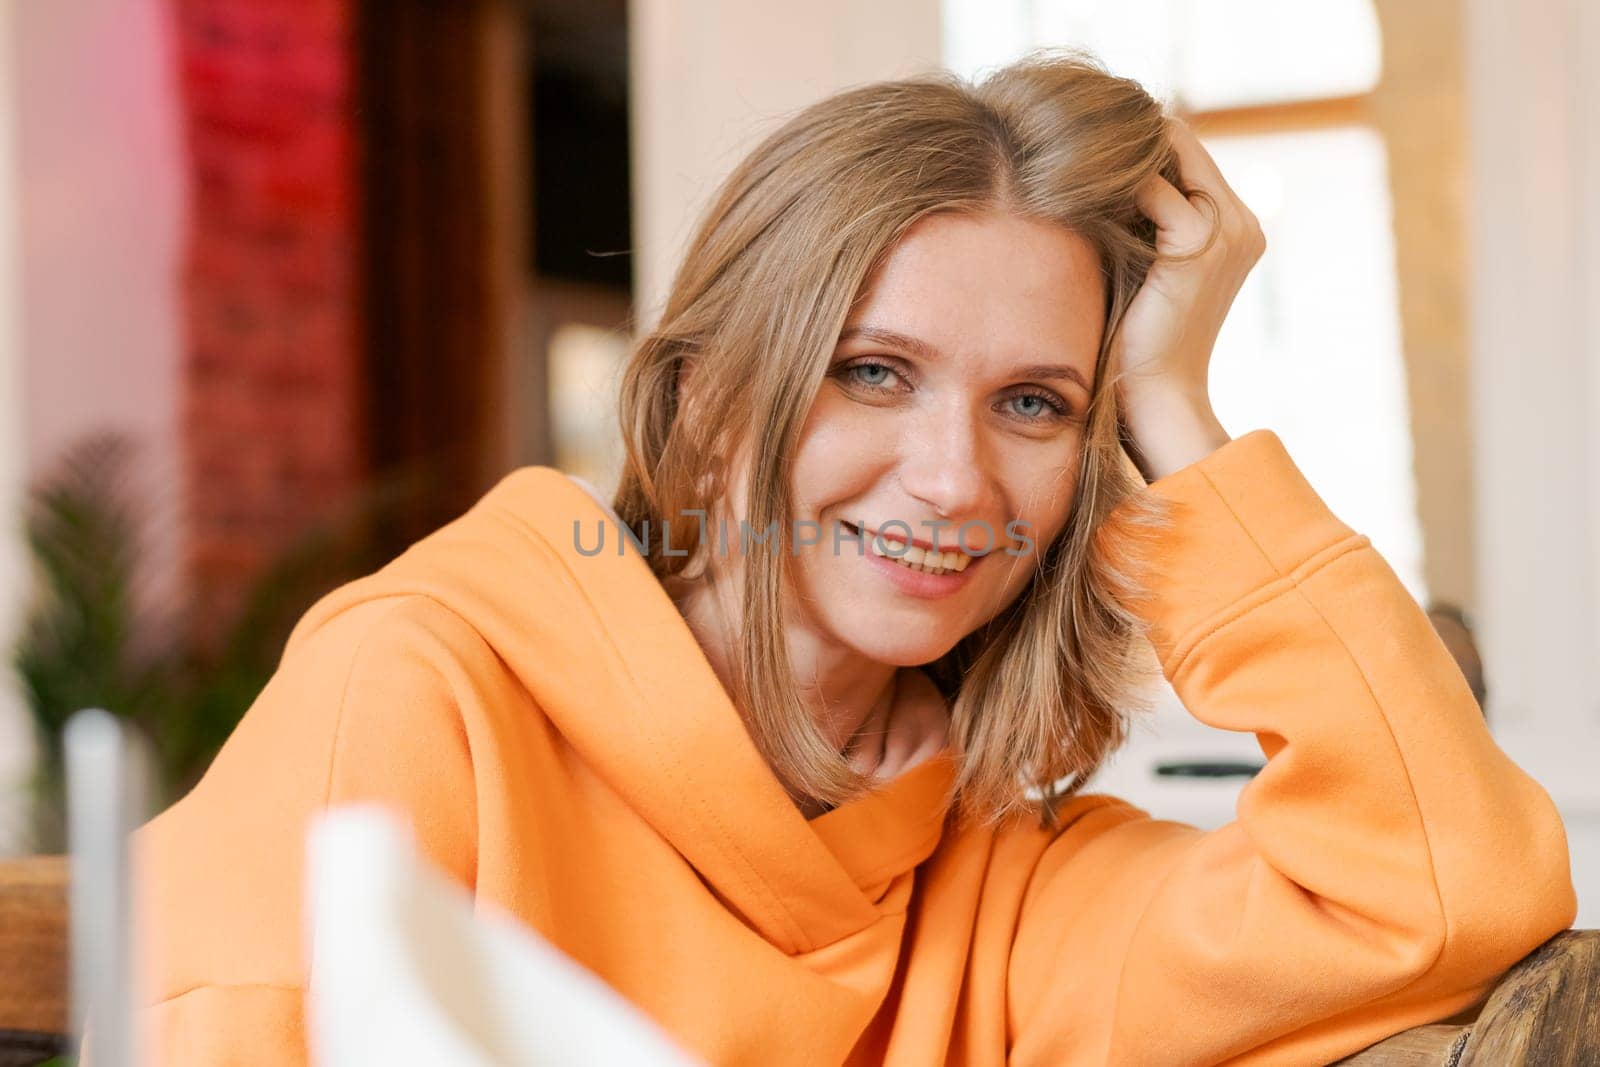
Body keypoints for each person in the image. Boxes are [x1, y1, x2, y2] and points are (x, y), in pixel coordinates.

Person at [127, 49, 1576, 1065]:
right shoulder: (419, 695)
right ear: (702, 409)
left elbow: (1446, 885)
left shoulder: (996, 888)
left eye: (1035, 404)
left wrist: (1176, 404)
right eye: (873, 372)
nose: (953, 480)